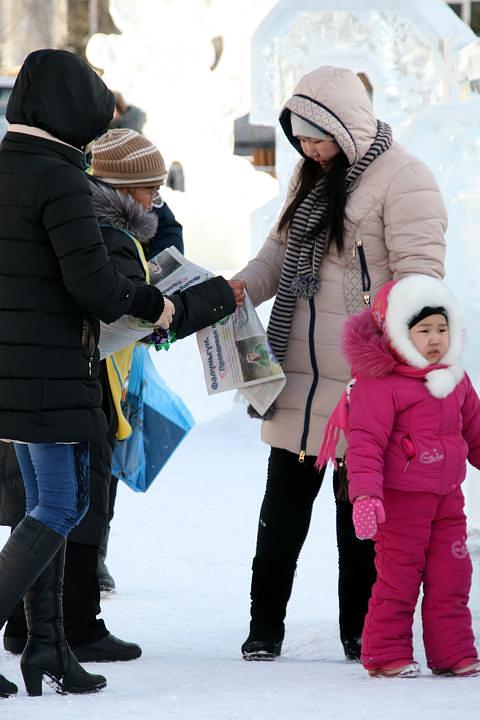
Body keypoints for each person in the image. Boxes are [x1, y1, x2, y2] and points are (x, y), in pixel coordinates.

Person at [229, 66, 447, 662]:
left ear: (346, 126)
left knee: (360, 516)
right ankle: (264, 628)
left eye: (317, 137)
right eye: (300, 137)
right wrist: (240, 287)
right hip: (299, 371)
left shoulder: (406, 178)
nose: (307, 148)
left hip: (365, 381)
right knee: (281, 514)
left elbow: (422, 277)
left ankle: (360, 629)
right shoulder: (313, 176)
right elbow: (277, 252)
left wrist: (389, 339)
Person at [1, 128, 236, 664]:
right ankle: (72, 626)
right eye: (150, 189)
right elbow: (133, 316)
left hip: (39, 379)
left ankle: (37, 632)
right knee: (75, 504)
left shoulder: (58, 207)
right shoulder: (108, 234)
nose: (157, 198)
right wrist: (215, 298)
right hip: (81, 382)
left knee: (37, 503)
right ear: (126, 190)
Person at [0, 48, 175, 698]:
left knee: (43, 505)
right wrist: (156, 301)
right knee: (60, 504)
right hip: (49, 365)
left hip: (12, 365)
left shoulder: (7, 166)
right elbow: (95, 287)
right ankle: (42, 644)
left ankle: (47, 647)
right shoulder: (58, 176)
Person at [319, 274, 480, 678]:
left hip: (448, 499)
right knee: (399, 578)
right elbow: (365, 443)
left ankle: (453, 653)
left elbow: (476, 433)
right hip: (401, 501)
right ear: (398, 333)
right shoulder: (380, 385)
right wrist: (366, 496)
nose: (435, 339)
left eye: (442, 329)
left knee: (453, 577)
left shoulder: (455, 381)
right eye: (423, 330)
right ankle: (386, 653)